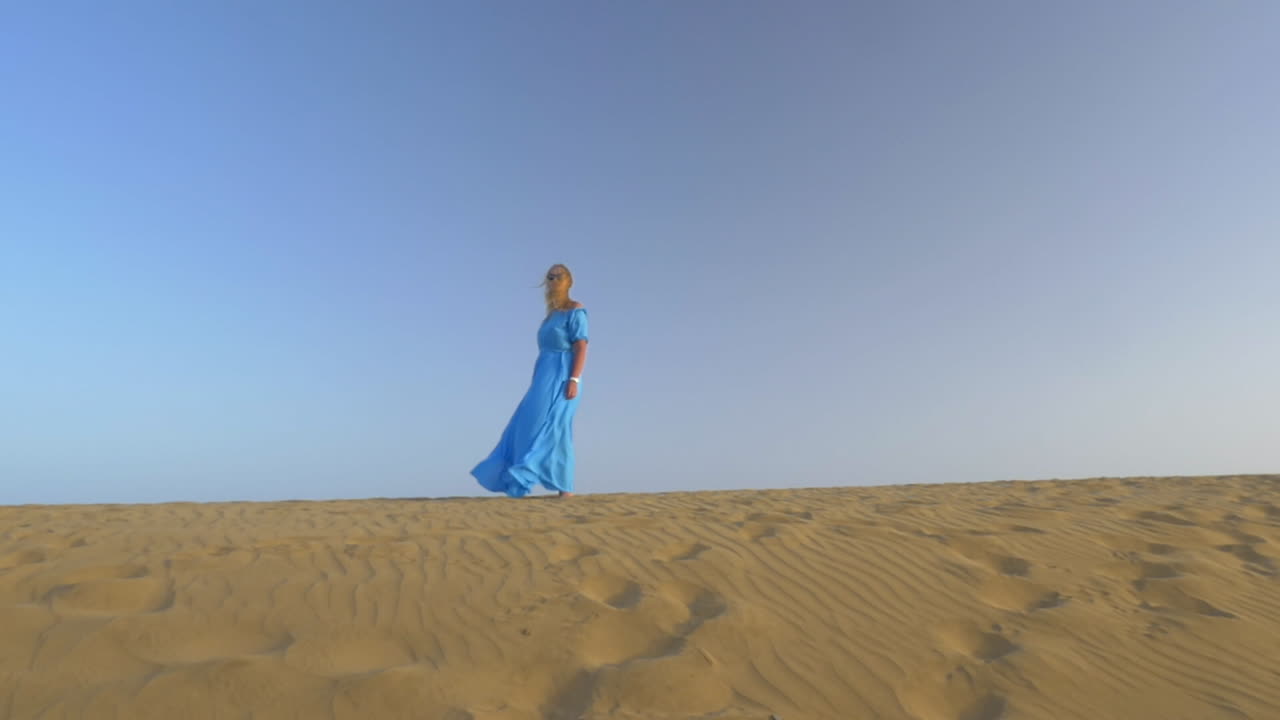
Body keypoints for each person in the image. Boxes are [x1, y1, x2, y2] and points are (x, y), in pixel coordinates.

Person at [471, 264, 589, 498]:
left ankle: (565, 488)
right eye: (550, 276)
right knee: (525, 424)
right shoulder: (551, 316)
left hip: (563, 375)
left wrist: (574, 378)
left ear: (568, 281)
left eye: (558, 276)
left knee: (556, 426)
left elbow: (582, 345)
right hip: (543, 376)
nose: (553, 280)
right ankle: (517, 476)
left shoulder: (575, 310)